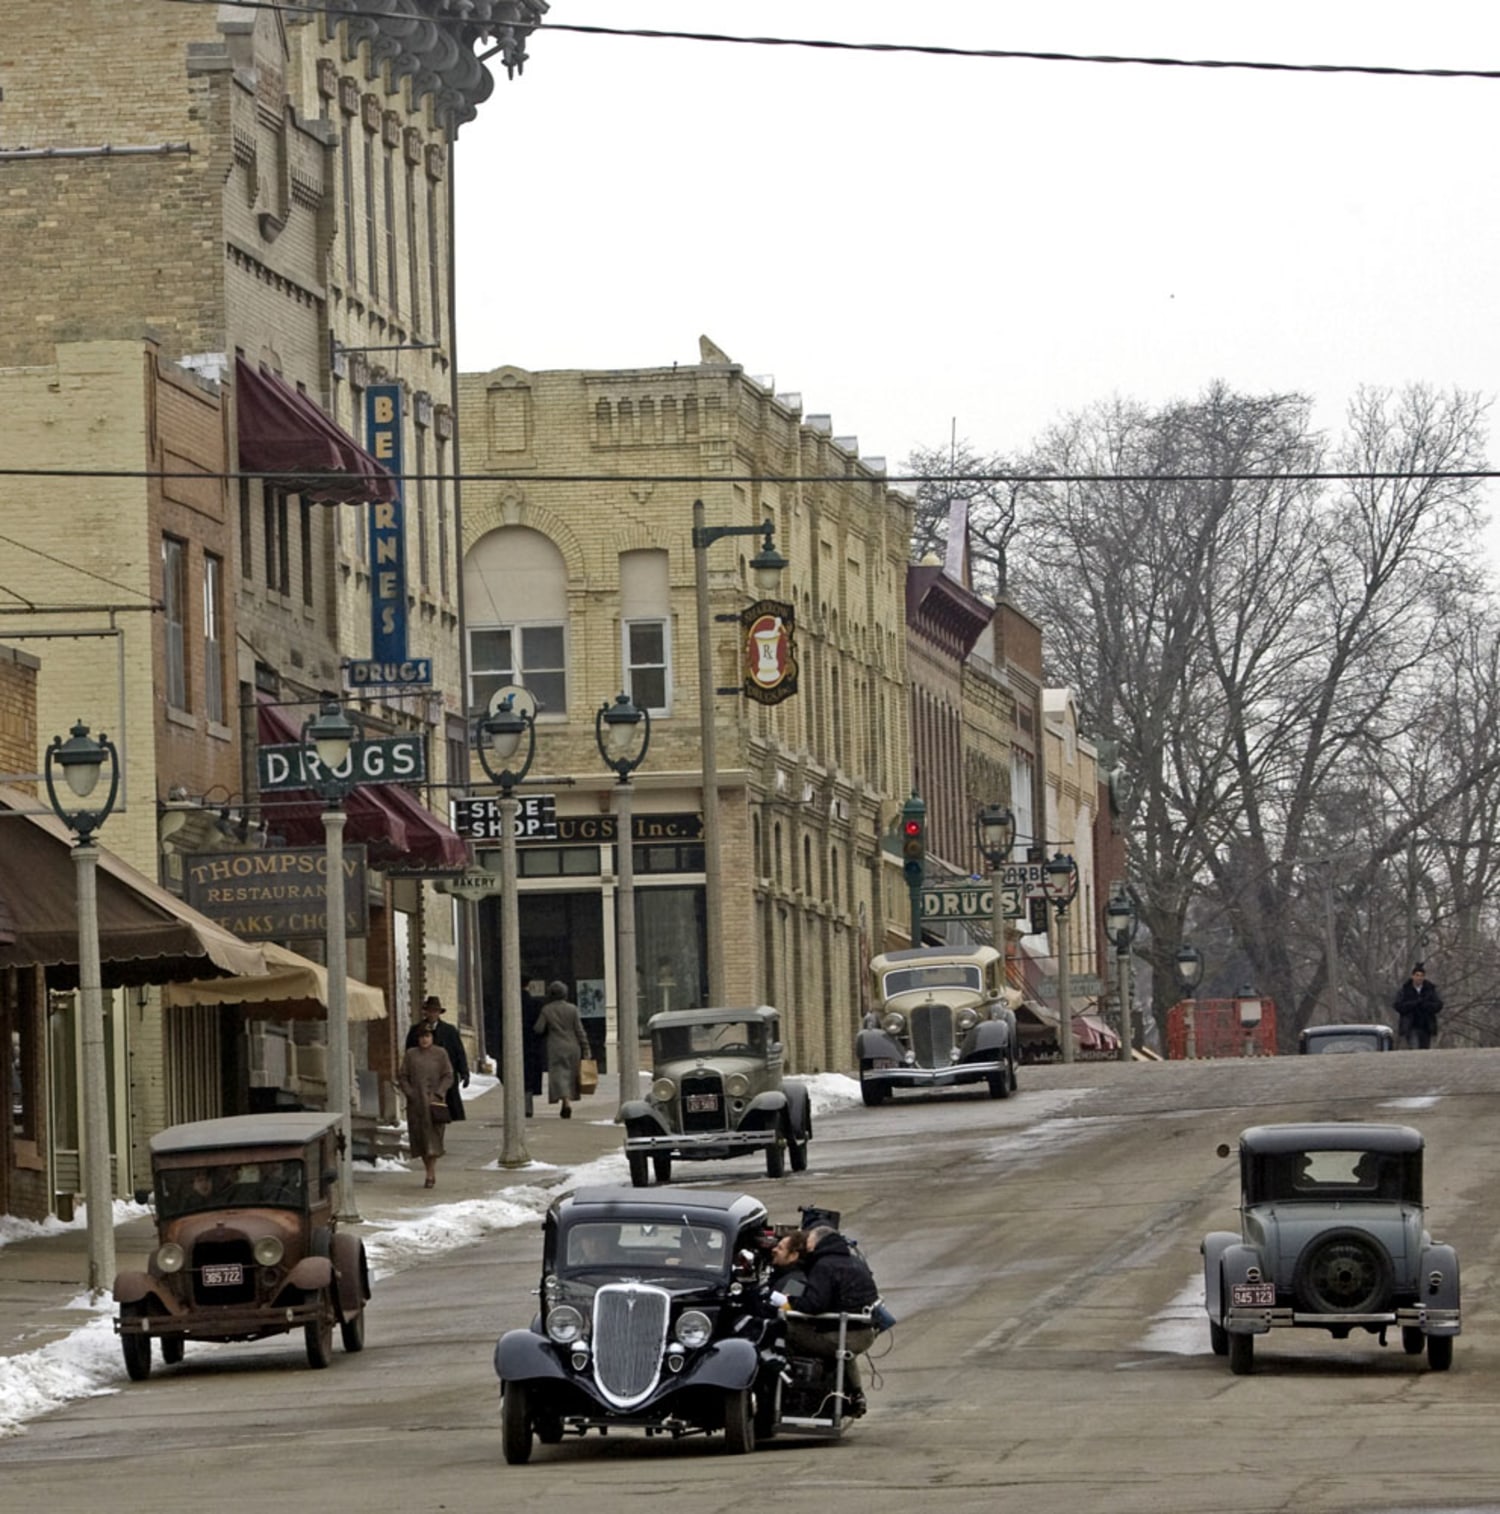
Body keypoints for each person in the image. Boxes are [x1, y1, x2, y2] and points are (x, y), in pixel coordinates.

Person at [786, 1223, 881, 1415]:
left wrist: (790, 1298)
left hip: (842, 1335)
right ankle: (856, 1393)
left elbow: (814, 1305)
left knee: (786, 1328)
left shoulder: (820, 1267)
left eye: (810, 1242)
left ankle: (793, 1393)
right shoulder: (855, 1261)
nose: (808, 1247)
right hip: (864, 1333)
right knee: (844, 1350)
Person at [398, 1021, 454, 1188]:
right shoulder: (411, 1054)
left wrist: (440, 1092)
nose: (424, 1040)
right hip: (416, 1105)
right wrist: (410, 1092)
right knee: (421, 1140)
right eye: (422, 1036)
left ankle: (431, 1172)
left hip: (435, 1104)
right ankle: (428, 1170)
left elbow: (448, 1075)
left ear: (432, 1038)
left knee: (434, 1139)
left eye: (427, 1036)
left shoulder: (441, 1054)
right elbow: (403, 1076)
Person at [533, 980, 591, 1119]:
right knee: (571, 1075)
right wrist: (586, 1048)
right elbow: (580, 1030)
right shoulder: (572, 1009)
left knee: (559, 1075)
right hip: (573, 1046)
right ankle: (568, 1101)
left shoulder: (546, 1010)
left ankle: (564, 1100)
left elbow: (538, 1028)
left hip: (555, 1046)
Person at [406, 995, 470, 1121]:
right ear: (425, 1012)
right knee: (424, 1111)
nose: (432, 1014)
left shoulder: (449, 1031)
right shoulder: (416, 1030)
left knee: (442, 1108)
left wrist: (464, 1072)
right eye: (430, 1011)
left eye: (435, 1011)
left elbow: (459, 1053)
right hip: (423, 1076)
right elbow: (409, 1054)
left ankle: (439, 1129)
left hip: (444, 1075)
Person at [1393, 963, 1443, 1050]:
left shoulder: (1430, 990)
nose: (1419, 978)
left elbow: (1438, 1005)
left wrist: (1426, 1005)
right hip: (1410, 1025)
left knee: (1424, 1050)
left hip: (1426, 1026)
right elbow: (1398, 1006)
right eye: (1417, 975)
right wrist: (1414, 1004)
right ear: (1412, 976)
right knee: (1414, 1049)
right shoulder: (1404, 990)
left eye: (1421, 976)